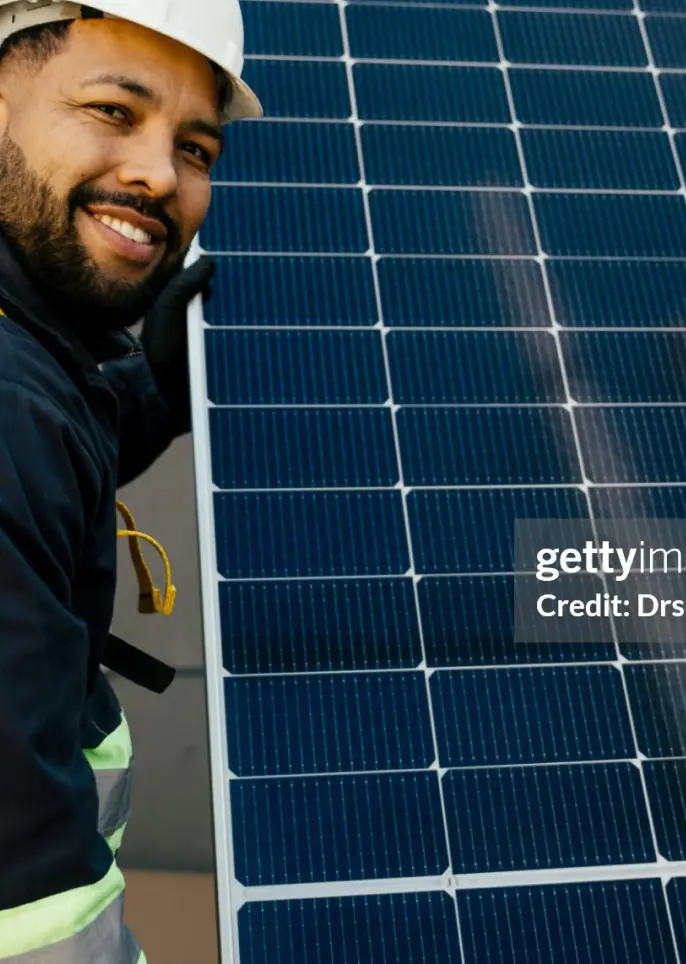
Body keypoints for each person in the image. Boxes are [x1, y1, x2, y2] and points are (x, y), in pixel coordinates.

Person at [0, 1, 261, 960]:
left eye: (198, 148)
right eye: (114, 110)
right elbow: (26, 908)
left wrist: (144, 389)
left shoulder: (34, 362)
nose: (161, 174)